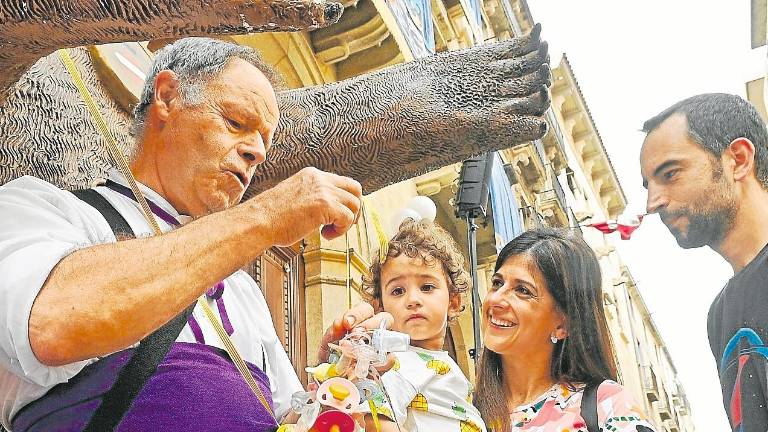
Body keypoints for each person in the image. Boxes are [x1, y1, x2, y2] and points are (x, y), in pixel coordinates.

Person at [0, 37, 378, 431]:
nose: (256, 153)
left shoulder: (244, 291)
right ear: (167, 96)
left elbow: (286, 418)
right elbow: (51, 326)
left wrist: (338, 382)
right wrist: (264, 216)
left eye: (264, 142)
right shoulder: (42, 210)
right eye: (236, 123)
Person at [640, 93, 768, 432]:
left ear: (738, 159)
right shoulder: (719, 314)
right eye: (647, 185)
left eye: (669, 174)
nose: (653, 203)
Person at [474, 228, 655, 432]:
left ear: (563, 325)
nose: (496, 299)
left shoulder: (608, 406)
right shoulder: (460, 410)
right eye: (497, 283)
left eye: (523, 290)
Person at [358, 218, 486, 432]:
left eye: (426, 287)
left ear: (453, 302)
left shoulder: (439, 363)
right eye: (398, 291)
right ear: (380, 309)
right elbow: (376, 418)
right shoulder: (394, 363)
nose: (413, 299)